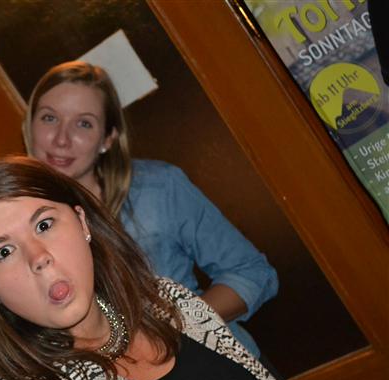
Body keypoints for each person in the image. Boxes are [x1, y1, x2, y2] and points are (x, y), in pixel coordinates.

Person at [0, 156, 354, 380]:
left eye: (45, 224)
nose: (39, 257)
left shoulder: (168, 303)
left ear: (82, 222)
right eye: (3, 251)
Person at [23, 61, 278, 362]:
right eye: (49, 118)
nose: (61, 138)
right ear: (28, 125)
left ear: (108, 138)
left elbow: (251, 272)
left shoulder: (156, 188)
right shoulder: (11, 225)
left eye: (84, 124)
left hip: (214, 366)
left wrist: (175, 330)